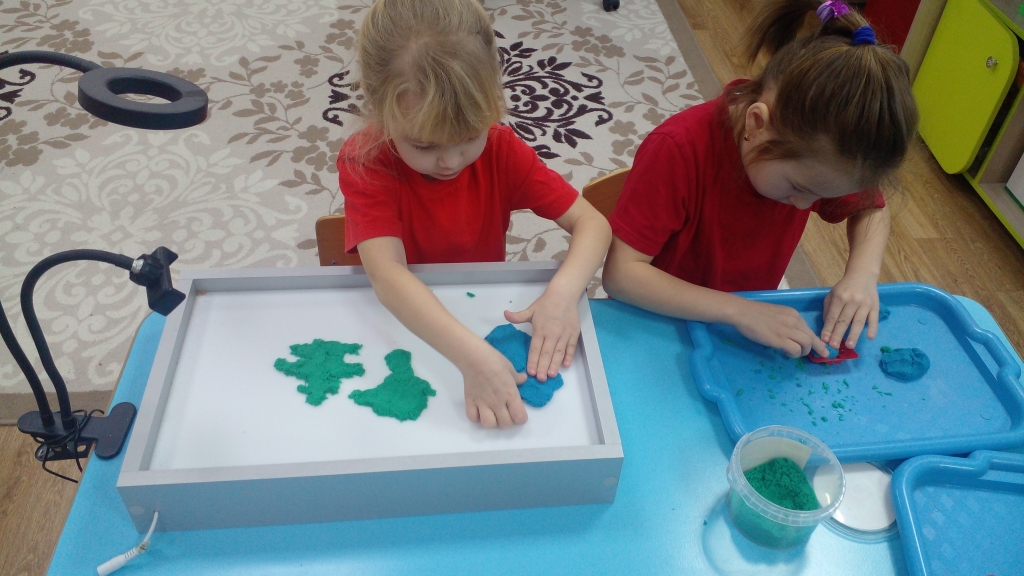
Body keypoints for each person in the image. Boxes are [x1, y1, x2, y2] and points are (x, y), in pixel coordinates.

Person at [337, 0, 611, 429]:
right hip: (406, 322)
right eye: (424, 145)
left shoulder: (501, 149)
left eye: (468, 136)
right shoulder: (366, 160)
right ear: (379, 105)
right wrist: (472, 358)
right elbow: (387, 276)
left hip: (478, 303)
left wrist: (562, 295)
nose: (450, 161)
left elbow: (593, 224)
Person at [602, 0, 917, 359]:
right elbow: (621, 275)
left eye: (819, 196)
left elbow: (872, 208)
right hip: (655, 324)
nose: (805, 205)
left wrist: (862, 275)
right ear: (756, 124)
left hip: (737, 325)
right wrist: (739, 311)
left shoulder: (821, 154)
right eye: (799, 188)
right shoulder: (678, 149)